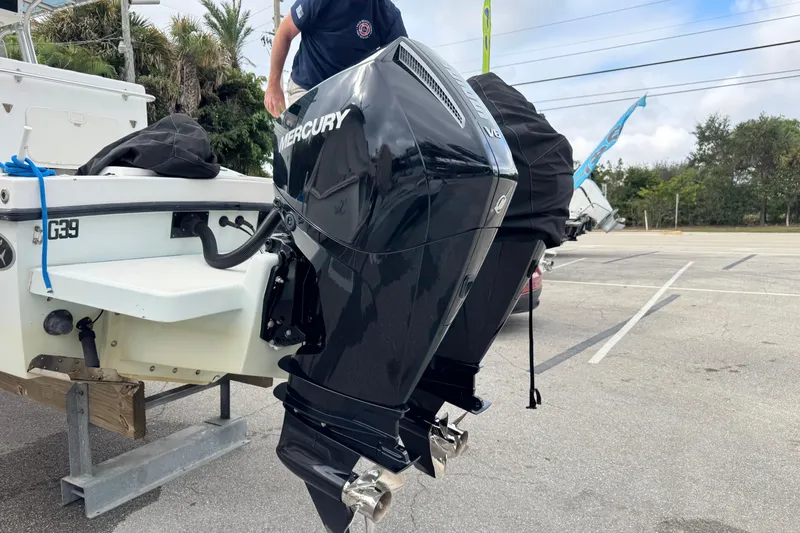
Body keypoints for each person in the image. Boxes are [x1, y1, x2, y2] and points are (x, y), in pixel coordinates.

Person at [264, 0, 408, 118]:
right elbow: (285, 32)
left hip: (351, 97)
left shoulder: (388, 14)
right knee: (306, 145)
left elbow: (401, 68)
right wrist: (273, 85)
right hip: (307, 88)